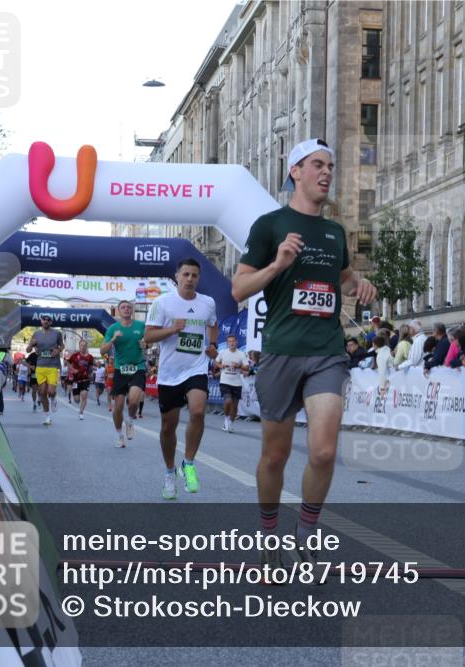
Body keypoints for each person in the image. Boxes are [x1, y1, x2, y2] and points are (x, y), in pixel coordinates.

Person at [230, 138, 377, 571]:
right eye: (318, 165)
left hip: (326, 352)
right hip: (281, 353)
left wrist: (358, 285)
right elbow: (239, 289)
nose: (327, 172)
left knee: (325, 452)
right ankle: (269, 533)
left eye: (330, 165)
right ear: (295, 170)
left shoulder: (334, 232)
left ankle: (307, 530)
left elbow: (343, 274)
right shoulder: (269, 225)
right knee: (274, 457)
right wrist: (276, 265)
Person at [145, 259, 219, 500]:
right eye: (186, 274)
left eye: (194, 275)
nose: (190, 279)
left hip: (195, 368)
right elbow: (149, 336)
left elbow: (213, 324)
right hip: (170, 373)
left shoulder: (207, 303)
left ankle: (188, 463)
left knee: (198, 411)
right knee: (168, 426)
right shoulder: (162, 303)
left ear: (199, 278)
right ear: (176, 276)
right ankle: (169, 471)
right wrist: (172, 330)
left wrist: (213, 345)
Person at [102, 300, 148, 448]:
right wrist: (114, 339)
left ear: (132, 310)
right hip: (120, 369)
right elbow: (103, 350)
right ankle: (119, 435)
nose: (126, 309)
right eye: (123, 307)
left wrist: (147, 344)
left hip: (138, 367)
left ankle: (129, 420)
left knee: (134, 400)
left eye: (129, 307)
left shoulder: (141, 326)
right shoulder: (113, 328)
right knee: (118, 407)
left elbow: (149, 341)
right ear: (118, 311)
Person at [26, 315, 63, 426]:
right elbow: (28, 350)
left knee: (50, 391)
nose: (46, 321)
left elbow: (62, 345)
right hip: (40, 365)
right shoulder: (36, 334)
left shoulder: (57, 333)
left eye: (48, 320)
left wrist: (58, 350)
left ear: (51, 322)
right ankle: (47, 416)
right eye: (44, 320)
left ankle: (53, 397)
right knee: (42, 393)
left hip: (52, 365)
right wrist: (31, 344)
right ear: (41, 321)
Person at [216, 333, 249, 433]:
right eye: (230, 341)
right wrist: (220, 366)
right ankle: (226, 419)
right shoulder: (222, 352)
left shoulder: (241, 354)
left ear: (236, 342)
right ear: (227, 343)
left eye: (233, 341)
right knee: (228, 401)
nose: (232, 343)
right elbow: (216, 362)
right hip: (225, 381)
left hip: (237, 383)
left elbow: (247, 367)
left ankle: (231, 423)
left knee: (234, 407)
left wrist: (238, 366)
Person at [69, 339, 95, 420]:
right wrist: (73, 369)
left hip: (85, 379)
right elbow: (68, 363)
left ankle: (81, 412)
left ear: (86, 347)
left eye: (84, 345)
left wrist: (91, 373)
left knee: (84, 395)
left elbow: (90, 367)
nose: (83, 347)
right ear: (79, 346)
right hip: (76, 380)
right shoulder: (74, 355)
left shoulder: (90, 357)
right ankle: (78, 399)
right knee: (76, 400)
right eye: (81, 345)